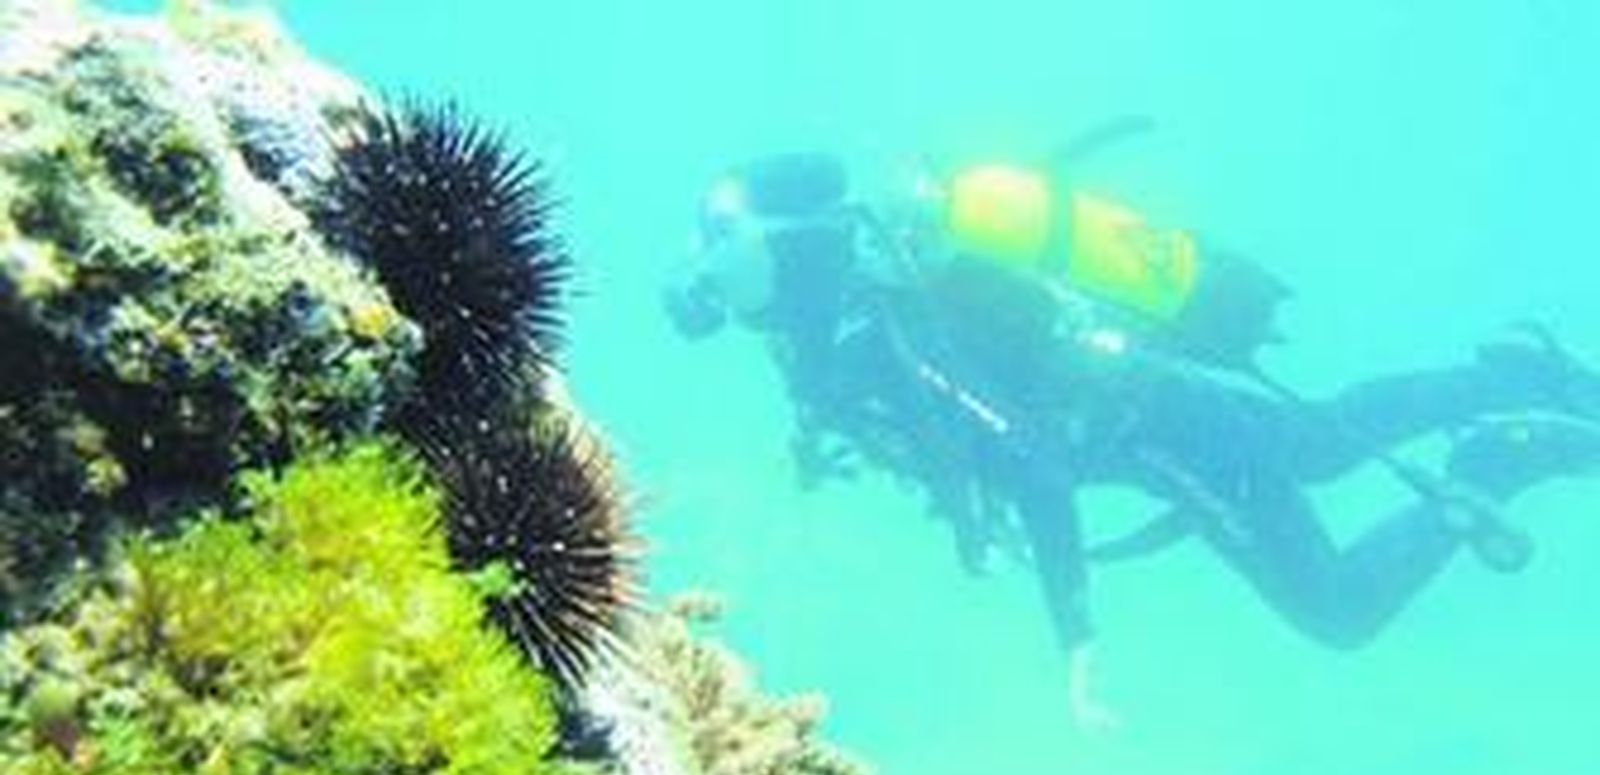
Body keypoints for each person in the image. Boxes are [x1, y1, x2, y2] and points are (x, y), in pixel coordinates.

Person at [664, 150, 1600, 726]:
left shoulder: (888, 328)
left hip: (1170, 433)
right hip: (1157, 393)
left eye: (722, 242)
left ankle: (1502, 456)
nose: (705, 271)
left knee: (1339, 611)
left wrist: (1076, 641)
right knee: (1323, 445)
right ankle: (1512, 375)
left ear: (785, 244)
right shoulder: (834, 328)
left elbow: (1032, 460)